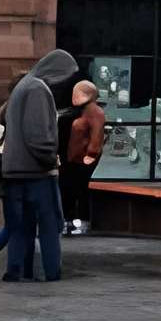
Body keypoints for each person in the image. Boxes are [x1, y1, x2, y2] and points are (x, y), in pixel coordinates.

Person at [0, 49, 80, 284]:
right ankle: (52, 272)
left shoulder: (23, 86)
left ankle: (16, 271)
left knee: (20, 226)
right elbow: (38, 136)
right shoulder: (38, 89)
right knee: (50, 225)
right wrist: (51, 158)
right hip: (37, 172)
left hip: (14, 170)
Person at [58, 78, 109, 238]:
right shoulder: (83, 111)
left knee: (79, 189)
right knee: (70, 189)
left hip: (82, 159)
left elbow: (96, 135)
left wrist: (91, 155)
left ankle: (81, 221)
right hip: (74, 159)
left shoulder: (95, 112)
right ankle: (69, 220)